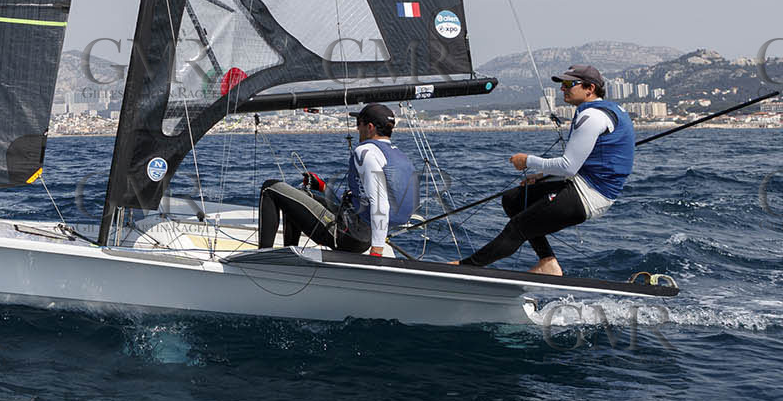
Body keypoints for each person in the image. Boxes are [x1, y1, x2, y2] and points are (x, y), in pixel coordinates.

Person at [456, 64, 633, 275]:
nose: (563, 89)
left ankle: (464, 269)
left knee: (518, 228)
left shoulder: (591, 117)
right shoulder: (609, 110)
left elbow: (569, 166)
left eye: (569, 84)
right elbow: (587, 161)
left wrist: (527, 160)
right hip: (584, 183)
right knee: (513, 199)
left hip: (590, 195)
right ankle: (547, 262)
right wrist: (542, 176)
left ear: (589, 88)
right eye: (562, 84)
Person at [257, 102, 417, 256]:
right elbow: (362, 198)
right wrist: (321, 186)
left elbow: (380, 203)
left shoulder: (366, 152)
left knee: (270, 188)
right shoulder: (399, 156)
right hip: (361, 234)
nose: (356, 128)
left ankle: (262, 258)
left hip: (346, 235)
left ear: (370, 127)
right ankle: (289, 253)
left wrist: (377, 252)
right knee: (296, 195)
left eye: (359, 123)